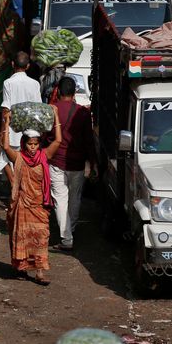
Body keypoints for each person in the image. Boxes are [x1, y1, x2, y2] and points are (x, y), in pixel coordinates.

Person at [1, 107, 62, 285]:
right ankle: (21, 268)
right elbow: (4, 146)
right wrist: (6, 122)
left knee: (41, 237)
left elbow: (58, 139)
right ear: (24, 144)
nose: (33, 148)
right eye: (30, 144)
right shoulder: (18, 158)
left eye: (36, 144)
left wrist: (56, 115)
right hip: (23, 205)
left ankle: (40, 272)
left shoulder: (44, 156)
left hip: (39, 206)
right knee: (22, 236)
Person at [47, 77, 97, 252]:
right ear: (74, 92)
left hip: (56, 162)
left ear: (58, 92)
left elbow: (46, 137)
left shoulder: (51, 110)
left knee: (60, 200)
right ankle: (71, 230)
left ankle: (67, 237)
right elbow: (89, 141)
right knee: (74, 198)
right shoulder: (82, 113)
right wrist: (93, 163)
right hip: (77, 163)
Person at [0, 52, 42, 183]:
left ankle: (13, 186)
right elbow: (38, 109)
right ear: (27, 66)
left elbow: (6, 109)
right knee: (25, 163)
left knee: (4, 161)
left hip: (12, 132)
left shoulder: (8, 83)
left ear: (12, 64)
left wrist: (2, 131)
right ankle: (19, 188)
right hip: (30, 134)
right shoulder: (35, 84)